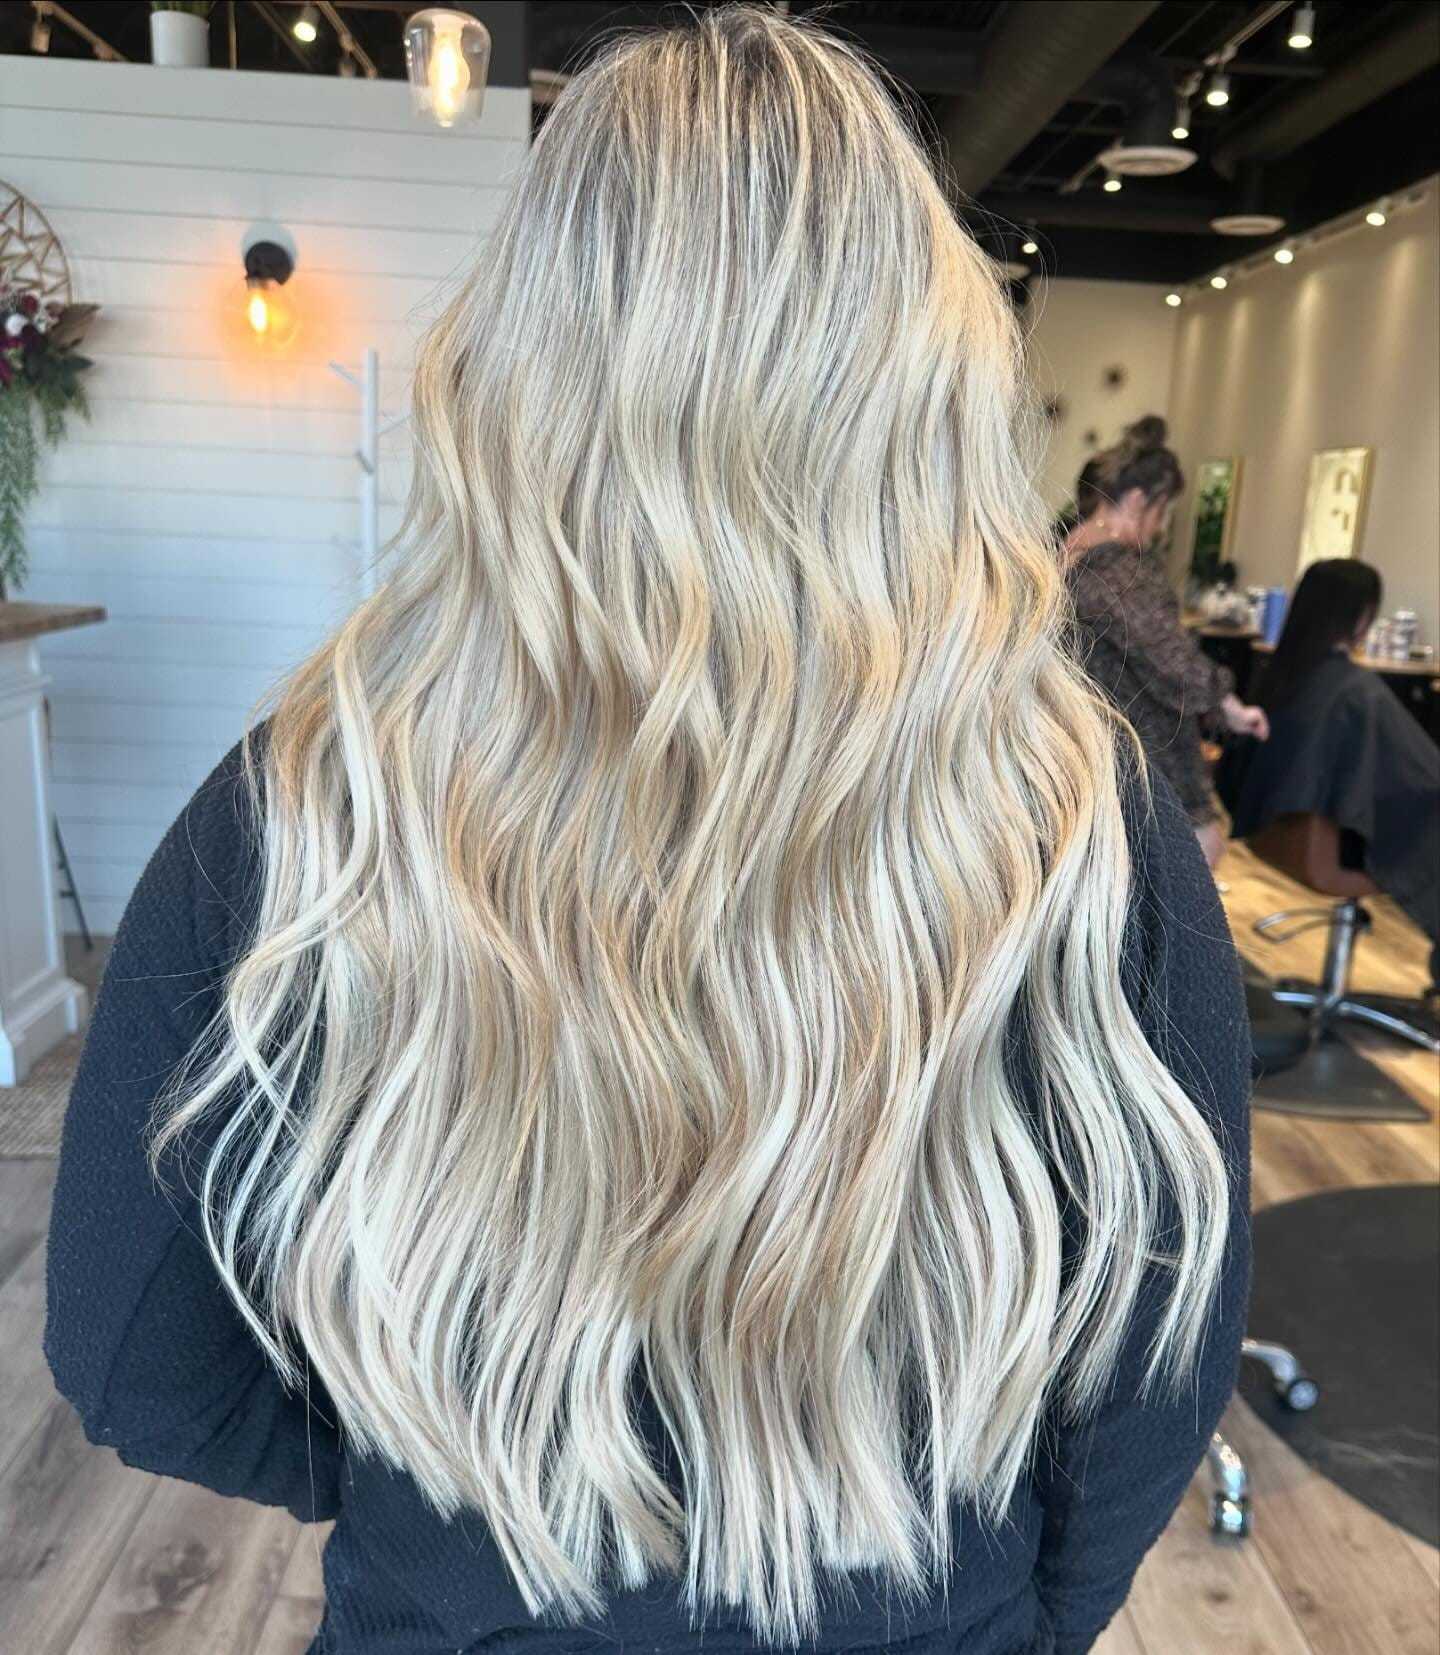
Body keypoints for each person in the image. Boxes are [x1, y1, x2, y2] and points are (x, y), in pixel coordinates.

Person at [44, 11, 1250, 1655]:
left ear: (523, 366)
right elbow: (1156, 1365)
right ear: (925, 383)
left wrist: (435, 1482)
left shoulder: (322, 789)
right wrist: (1019, 1622)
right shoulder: (1077, 816)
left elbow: (133, 1354)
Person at [1223, 558, 1440, 992]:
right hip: (1330, 848)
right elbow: (1417, 778)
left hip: (1280, 833)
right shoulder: (1356, 693)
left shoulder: (1280, 672)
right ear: (1361, 617)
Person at [1065, 417, 1270, 868]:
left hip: (1088, 747)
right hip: (1145, 749)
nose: (1159, 529)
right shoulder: (1121, 571)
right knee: (1197, 857)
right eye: (1161, 513)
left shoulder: (1066, 556)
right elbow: (1169, 657)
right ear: (1137, 501)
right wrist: (1229, 705)